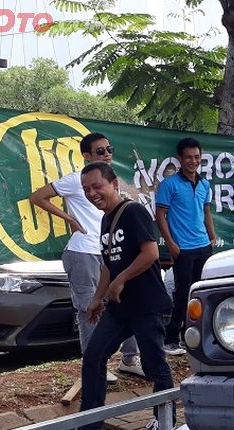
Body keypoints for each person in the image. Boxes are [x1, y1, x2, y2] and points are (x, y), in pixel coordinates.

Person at [60, 162, 174, 430]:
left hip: (146, 304)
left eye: (97, 187)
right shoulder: (105, 220)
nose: (91, 193)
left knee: (153, 363)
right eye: (86, 189)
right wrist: (97, 298)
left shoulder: (133, 211)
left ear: (114, 184)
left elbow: (150, 254)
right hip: (119, 307)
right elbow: (108, 265)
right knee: (94, 355)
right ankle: (90, 424)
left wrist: (121, 280)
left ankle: (165, 421)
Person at [27, 133, 143, 379]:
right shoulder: (74, 180)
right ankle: (94, 364)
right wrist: (69, 218)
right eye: (100, 151)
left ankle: (130, 359)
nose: (107, 154)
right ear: (87, 156)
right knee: (89, 309)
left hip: (111, 250)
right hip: (83, 252)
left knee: (128, 300)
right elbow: (37, 197)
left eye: (109, 149)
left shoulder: (112, 181)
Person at [156, 137, 216, 354]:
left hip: (203, 247)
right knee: (182, 294)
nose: (193, 161)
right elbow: (160, 215)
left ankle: (192, 337)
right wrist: (171, 243)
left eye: (197, 157)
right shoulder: (169, 184)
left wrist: (212, 236)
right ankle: (171, 338)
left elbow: (206, 211)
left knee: (202, 292)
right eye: (189, 157)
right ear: (180, 158)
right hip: (183, 248)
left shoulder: (204, 184)